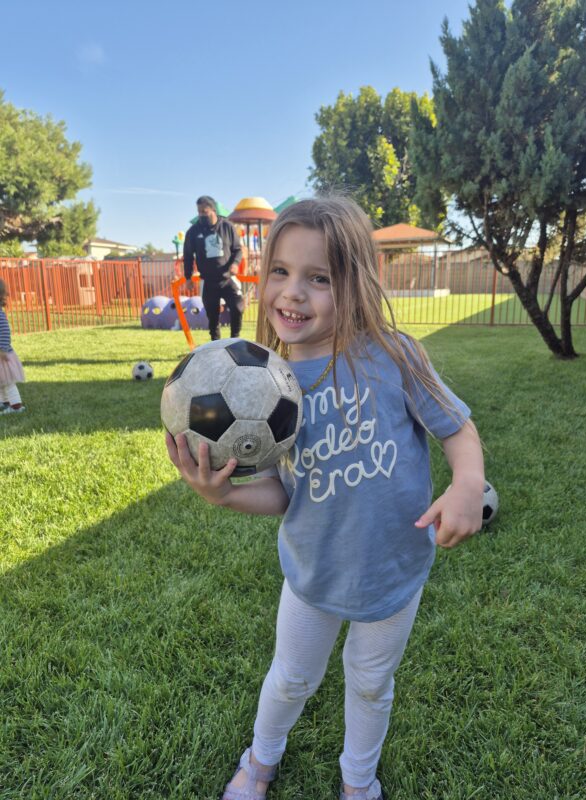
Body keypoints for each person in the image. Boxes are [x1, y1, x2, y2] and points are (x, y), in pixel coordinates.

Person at [166, 196, 485, 800]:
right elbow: (286, 494)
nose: (293, 293)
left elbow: (457, 429)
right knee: (290, 678)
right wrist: (224, 497)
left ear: (358, 282)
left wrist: (467, 483)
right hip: (312, 575)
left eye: (319, 278)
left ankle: (358, 780)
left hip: (393, 572)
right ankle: (261, 759)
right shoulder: (270, 385)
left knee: (371, 684)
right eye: (281, 272)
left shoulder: (395, 355)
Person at [183, 195, 244, 340]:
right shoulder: (193, 231)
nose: (201, 215)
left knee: (237, 308)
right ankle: (215, 344)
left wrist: (235, 264)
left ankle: (235, 340)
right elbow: (188, 255)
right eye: (199, 212)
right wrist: (188, 276)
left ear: (213, 210)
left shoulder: (227, 227)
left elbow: (238, 249)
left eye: (205, 212)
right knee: (212, 316)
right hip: (208, 281)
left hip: (228, 278)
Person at [0, 279, 26, 414]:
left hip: (3, 356)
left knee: (8, 383)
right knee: (1, 382)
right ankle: (5, 403)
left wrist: (2, 349)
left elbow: (4, 333)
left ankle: (16, 406)